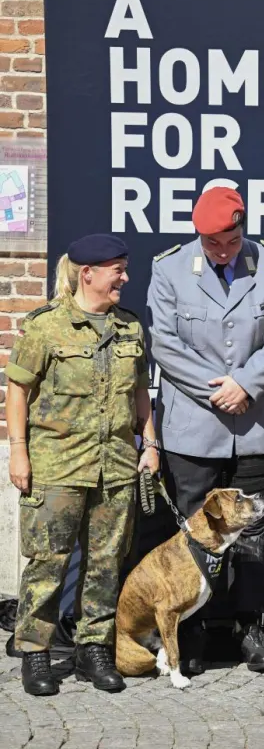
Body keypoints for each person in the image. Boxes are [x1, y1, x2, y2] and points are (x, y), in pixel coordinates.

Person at [147, 186, 264, 673]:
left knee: (255, 533)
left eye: (230, 242)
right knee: (194, 532)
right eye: (211, 243)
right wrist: (216, 391)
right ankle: (192, 630)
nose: (222, 252)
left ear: (242, 227)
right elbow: (165, 344)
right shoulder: (169, 268)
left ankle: (249, 629)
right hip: (194, 423)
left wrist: (246, 385)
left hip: (259, 422)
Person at [5, 233, 159, 697]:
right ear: (87, 273)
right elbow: (18, 389)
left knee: (105, 564)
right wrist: (17, 449)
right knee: (47, 564)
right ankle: (36, 652)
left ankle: (93, 649)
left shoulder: (129, 328)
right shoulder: (46, 327)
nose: (125, 278)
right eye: (118, 269)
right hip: (56, 466)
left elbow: (139, 394)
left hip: (114, 466)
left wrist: (149, 443)